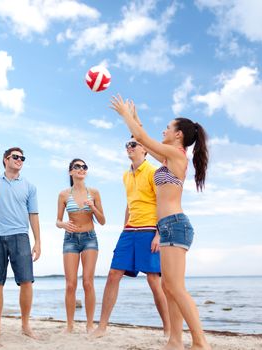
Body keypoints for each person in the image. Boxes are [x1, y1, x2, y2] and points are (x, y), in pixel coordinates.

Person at [111, 94, 211, 350]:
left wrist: (125, 116)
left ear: (178, 135)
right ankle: (175, 341)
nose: (164, 129)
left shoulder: (177, 156)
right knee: (168, 287)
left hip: (176, 225)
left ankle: (200, 342)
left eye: (168, 126)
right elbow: (144, 138)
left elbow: (142, 140)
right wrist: (134, 119)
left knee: (176, 288)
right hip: (167, 227)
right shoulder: (168, 157)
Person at [91, 137, 170, 338]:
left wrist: (159, 234)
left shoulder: (154, 172)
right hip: (129, 231)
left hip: (150, 229)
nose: (129, 147)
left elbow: (163, 203)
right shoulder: (126, 175)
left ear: (144, 149)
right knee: (113, 275)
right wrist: (124, 227)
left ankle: (168, 330)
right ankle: (102, 327)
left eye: (133, 144)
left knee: (153, 280)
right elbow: (129, 204)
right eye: (127, 144)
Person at [0, 147, 41, 340]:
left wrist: (38, 242)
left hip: (21, 236)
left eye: (22, 158)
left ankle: (25, 325)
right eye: (16, 157)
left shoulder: (29, 187)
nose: (20, 160)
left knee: (27, 282)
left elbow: (34, 215)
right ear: (5, 160)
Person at [56, 159, 106, 333]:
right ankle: (69, 325)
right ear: (70, 172)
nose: (81, 169)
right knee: (70, 285)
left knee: (88, 283)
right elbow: (58, 221)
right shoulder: (63, 194)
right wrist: (62, 225)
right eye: (77, 167)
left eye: (84, 167)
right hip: (70, 239)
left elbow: (102, 221)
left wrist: (93, 207)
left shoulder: (94, 192)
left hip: (89, 239)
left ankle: (90, 324)